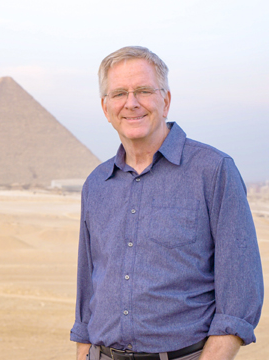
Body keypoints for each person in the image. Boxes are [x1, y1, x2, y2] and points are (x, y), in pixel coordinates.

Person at [70, 46, 263, 360]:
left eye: (144, 91)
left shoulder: (213, 171)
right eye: (119, 93)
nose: (131, 103)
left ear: (166, 100)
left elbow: (240, 293)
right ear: (106, 108)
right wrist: (84, 352)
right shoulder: (96, 184)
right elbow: (87, 287)